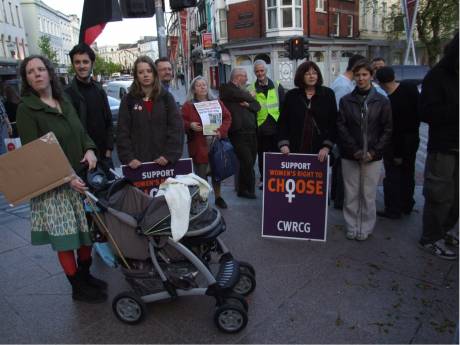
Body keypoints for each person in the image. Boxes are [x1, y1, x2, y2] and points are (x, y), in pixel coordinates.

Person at [15, 55, 106, 303]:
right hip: (55, 185)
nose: (36, 74)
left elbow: (81, 131)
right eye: (30, 71)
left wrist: (89, 148)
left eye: (40, 69)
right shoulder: (26, 109)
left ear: (49, 73)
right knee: (66, 238)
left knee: (87, 232)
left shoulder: (63, 100)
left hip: (81, 180)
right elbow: (35, 153)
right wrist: (66, 178)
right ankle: (77, 286)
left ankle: (85, 276)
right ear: (26, 79)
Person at [337, 60, 392, 241]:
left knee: (368, 194)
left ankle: (366, 226)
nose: (361, 78)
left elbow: (387, 129)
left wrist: (373, 152)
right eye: (358, 75)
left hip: (372, 156)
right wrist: (354, 150)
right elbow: (342, 127)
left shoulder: (382, 101)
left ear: (371, 76)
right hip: (351, 154)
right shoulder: (346, 101)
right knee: (351, 193)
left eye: (364, 75)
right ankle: (352, 225)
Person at [418, 34, 459, 260]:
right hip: (444, 147)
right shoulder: (437, 77)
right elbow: (426, 112)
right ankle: (432, 237)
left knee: (457, 196)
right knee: (440, 194)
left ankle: (447, 231)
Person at [117, 55, 184, 168]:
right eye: (141, 72)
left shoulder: (166, 98)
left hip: (164, 163)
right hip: (138, 165)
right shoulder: (128, 100)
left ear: (154, 73)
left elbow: (176, 129)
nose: (145, 75)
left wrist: (168, 155)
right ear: (136, 76)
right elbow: (122, 132)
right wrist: (129, 158)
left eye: (149, 71)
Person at [375, 66, 420, 219]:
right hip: (413, 139)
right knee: (408, 174)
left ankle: (393, 209)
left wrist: (397, 153)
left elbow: (397, 130)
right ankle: (407, 204)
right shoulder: (409, 87)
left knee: (393, 177)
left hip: (397, 145)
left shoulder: (391, 102)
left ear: (380, 83)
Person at [182, 76, 232, 208]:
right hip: (198, 144)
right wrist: (190, 125)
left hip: (215, 142)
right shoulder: (188, 105)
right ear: (193, 89)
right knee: (201, 174)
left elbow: (227, 117)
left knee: (217, 171)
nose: (202, 87)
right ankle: (203, 200)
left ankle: (218, 197)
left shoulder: (216, 102)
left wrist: (221, 131)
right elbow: (180, 121)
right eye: (198, 85)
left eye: (204, 84)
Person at [65, 43, 114, 171]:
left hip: (104, 156)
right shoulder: (67, 93)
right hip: (84, 159)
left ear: (92, 63)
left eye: (85, 62)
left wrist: (109, 149)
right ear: (73, 64)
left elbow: (108, 121)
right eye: (77, 62)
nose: (81, 66)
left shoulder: (99, 89)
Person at [278, 61, 337, 162]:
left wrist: (327, 147)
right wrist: (283, 144)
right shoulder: (291, 96)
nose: (311, 76)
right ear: (301, 76)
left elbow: (334, 123)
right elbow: (283, 122)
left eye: (314, 73)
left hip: (320, 153)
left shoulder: (328, 94)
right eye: (307, 74)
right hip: (294, 151)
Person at [330, 54, 366, 210]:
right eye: (361, 71)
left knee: (341, 168)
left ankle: (339, 198)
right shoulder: (343, 86)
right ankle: (340, 200)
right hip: (342, 135)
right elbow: (341, 114)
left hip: (343, 134)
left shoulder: (344, 83)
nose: (362, 75)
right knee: (342, 169)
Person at [219, 68, 261, 199]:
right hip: (238, 132)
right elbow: (239, 95)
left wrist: (248, 104)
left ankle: (246, 189)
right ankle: (246, 190)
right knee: (246, 161)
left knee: (251, 161)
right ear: (237, 77)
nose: (247, 79)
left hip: (252, 131)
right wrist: (249, 96)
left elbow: (257, 106)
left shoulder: (242, 92)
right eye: (245, 76)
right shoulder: (227, 89)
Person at [247, 60, 285, 189]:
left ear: (266, 71)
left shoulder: (276, 85)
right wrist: (250, 98)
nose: (260, 73)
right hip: (260, 126)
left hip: (276, 124)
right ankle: (264, 179)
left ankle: (277, 177)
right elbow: (248, 108)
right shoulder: (250, 88)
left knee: (276, 153)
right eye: (257, 71)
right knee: (262, 155)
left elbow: (283, 105)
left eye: (262, 70)